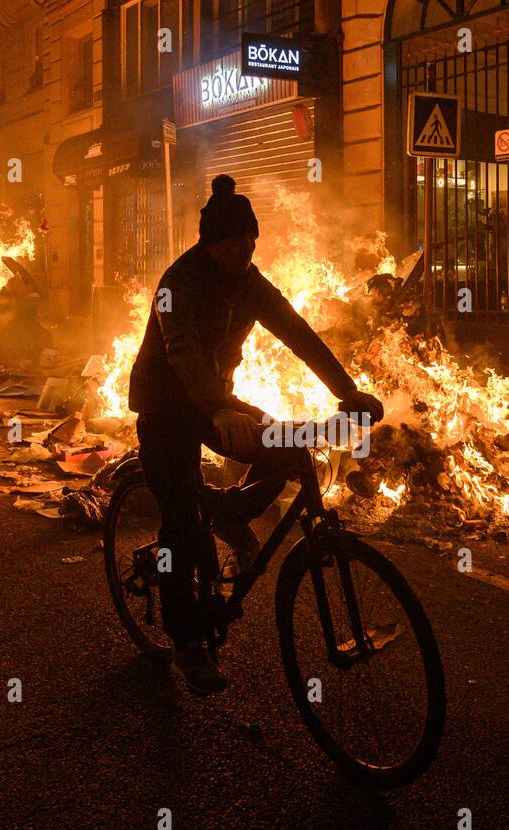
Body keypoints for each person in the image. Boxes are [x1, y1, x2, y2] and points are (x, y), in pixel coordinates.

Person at [128, 174, 384, 694]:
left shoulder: (249, 281)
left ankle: (230, 510)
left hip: (217, 402)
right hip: (167, 406)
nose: (244, 250)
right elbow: (182, 354)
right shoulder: (176, 285)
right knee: (181, 525)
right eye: (233, 242)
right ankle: (188, 643)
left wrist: (348, 391)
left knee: (292, 452)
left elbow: (296, 333)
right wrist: (218, 410)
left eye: (250, 240)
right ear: (210, 243)